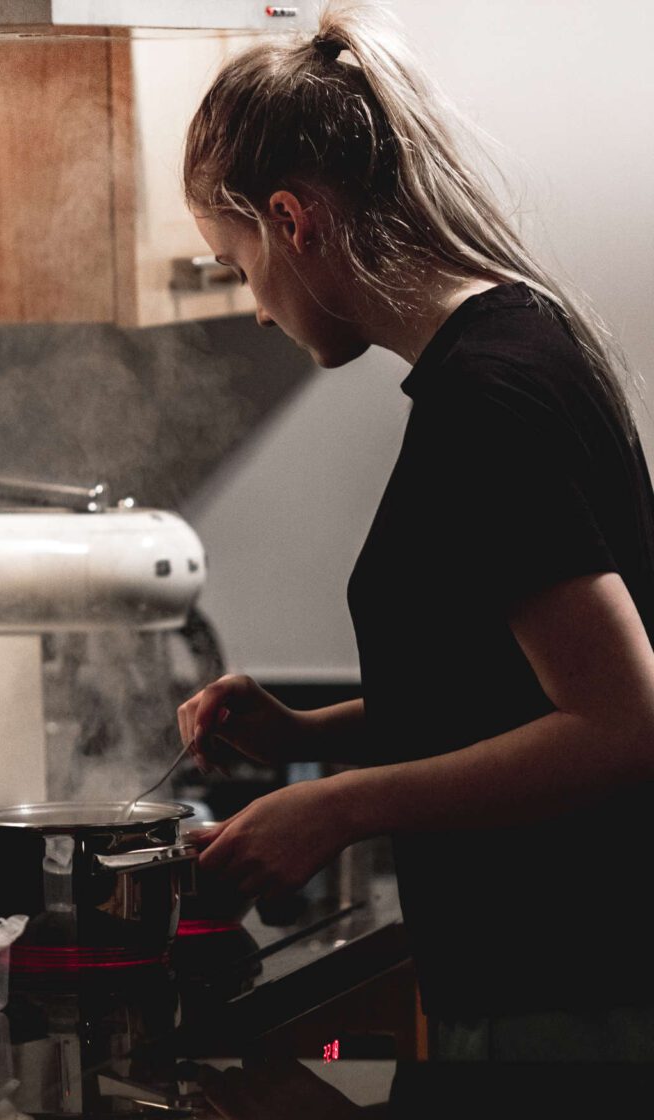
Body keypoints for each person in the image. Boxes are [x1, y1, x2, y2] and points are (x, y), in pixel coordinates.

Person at [176, 2, 654, 1061]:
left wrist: (338, 809)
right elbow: (512, 685)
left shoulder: (488, 398)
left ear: (295, 222)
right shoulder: (520, 341)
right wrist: (308, 737)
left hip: (574, 1000)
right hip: (563, 984)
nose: (254, 306)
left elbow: (621, 721)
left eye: (237, 263)